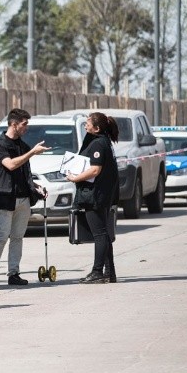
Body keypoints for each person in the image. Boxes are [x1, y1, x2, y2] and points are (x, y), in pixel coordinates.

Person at [0, 109, 50, 287]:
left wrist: (36, 186)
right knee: (2, 235)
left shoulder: (22, 145)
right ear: (14, 124)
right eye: (24, 124)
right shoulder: (0, 145)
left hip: (23, 199)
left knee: (17, 237)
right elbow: (11, 165)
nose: (26, 128)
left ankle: (14, 273)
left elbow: (23, 173)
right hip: (5, 198)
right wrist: (32, 153)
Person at [66, 112, 120, 284]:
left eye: (88, 123)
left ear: (97, 128)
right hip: (101, 194)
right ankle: (109, 272)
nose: (85, 125)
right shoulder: (104, 141)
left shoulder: (98, 144)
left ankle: (97, 271)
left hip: (95, 195)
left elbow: (95, 170)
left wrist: (75, 178)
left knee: (100, 234)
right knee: (103, 233)